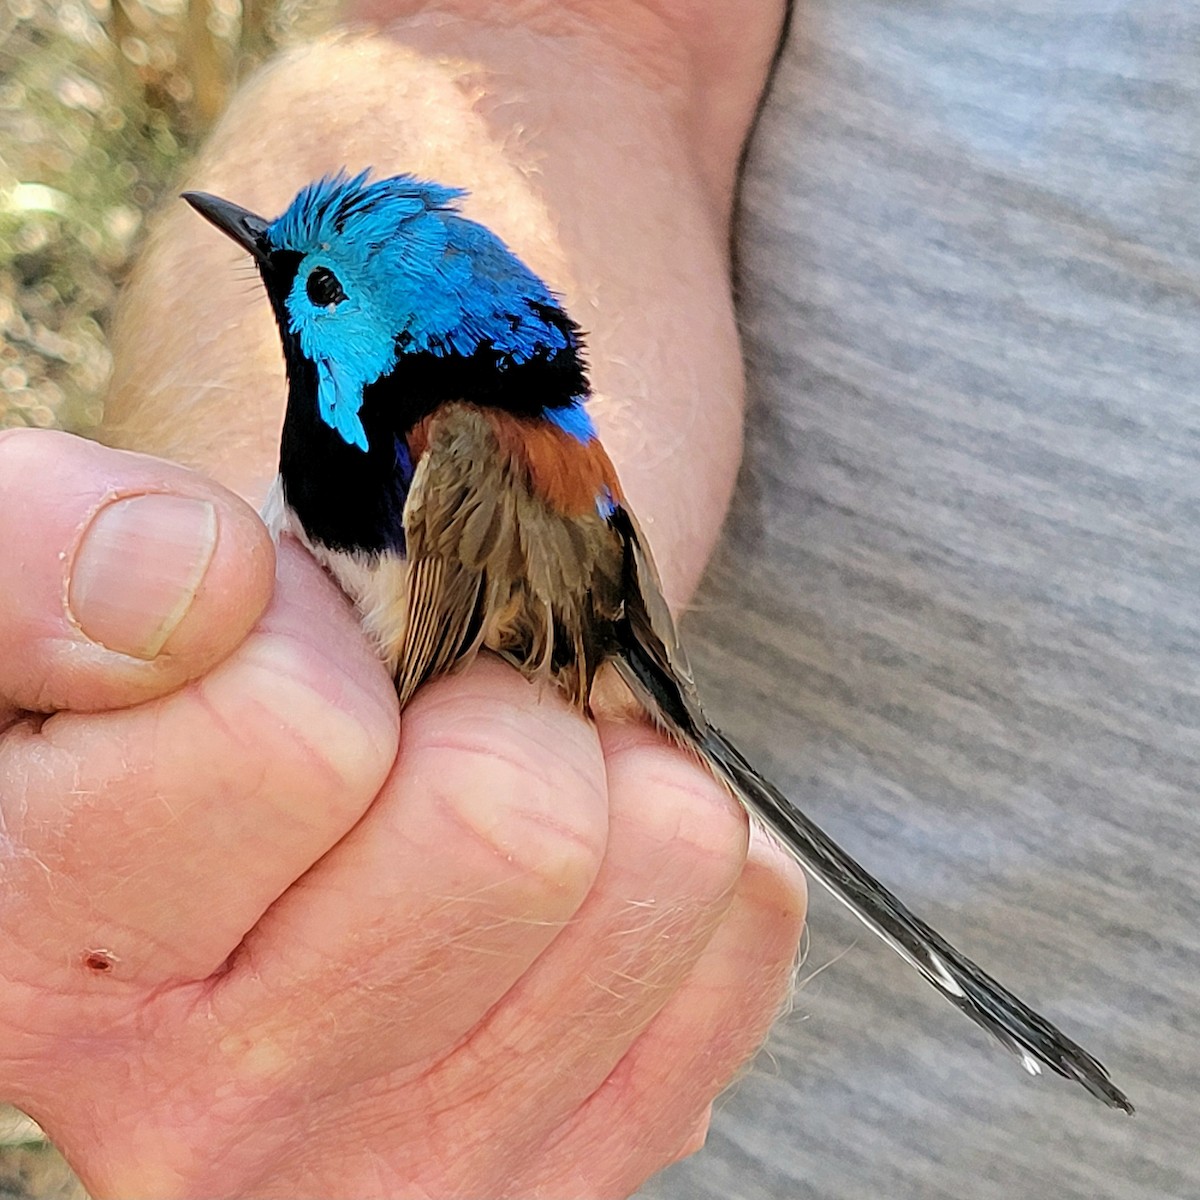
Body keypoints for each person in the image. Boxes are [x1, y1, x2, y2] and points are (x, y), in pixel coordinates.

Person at [0, 2, 808, 1196]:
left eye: (313, 284)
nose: (282, 277)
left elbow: (496, 621)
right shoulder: (365, 423)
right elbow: (554, 31)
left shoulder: (457, 454)